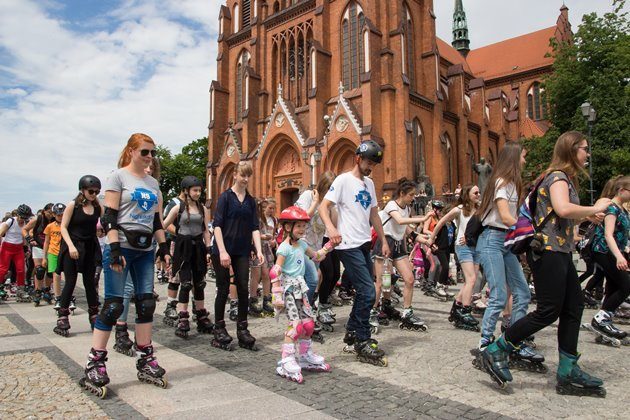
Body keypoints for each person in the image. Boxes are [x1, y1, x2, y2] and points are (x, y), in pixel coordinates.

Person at [481, 131, 611, 397]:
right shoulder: (557, 177)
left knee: (573, 307)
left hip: (559, 249)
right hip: (547, 250)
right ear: (572, 150)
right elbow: (562, 209)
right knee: (548, 310)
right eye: (585, 149)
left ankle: (567, 370)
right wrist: (593, 208)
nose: (588, 154)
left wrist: (587, 217)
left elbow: (558, 216)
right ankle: (496, 349)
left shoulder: (560, 177)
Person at [79, 133, 170, 398]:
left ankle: (145, 357)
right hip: (120, 246)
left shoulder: (153, 183)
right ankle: (95, 362)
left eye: (152, 152)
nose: (150, 157)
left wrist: (163, 248)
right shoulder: (118, 177)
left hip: (145, 249)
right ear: (131, 151)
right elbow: (109, 216)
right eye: (144, 152)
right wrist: (115, 248)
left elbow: (156, 222)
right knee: (114, 304)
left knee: (146, 303)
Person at [319, 140, 390, 366]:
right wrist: (331, 229)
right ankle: (362, 338)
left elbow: (375, 215)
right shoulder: (342, 180)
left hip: (364, 243)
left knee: (363, 290)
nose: (371, 167)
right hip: (346, 244)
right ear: (358, 158)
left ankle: (351, 331)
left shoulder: (369, 184)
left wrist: (384, 240)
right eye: (369, 161)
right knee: (369, 291)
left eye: (375, 163)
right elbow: (323, 207)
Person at [271, 206, 332, 383]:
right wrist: (276, 294)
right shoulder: (284, 248)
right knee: (296, 325)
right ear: (288, 227)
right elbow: (276, 271)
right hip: (289, 290)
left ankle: (305, 356)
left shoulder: (302, 244)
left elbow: (317, 256)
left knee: (308, 325)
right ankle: (286, 360)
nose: (302, 230)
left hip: (301, 289)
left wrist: (329, 246)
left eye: (304, 227)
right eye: (298, 226)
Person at [210, 160, 264, 351]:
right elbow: (217, 225)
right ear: (235, 174)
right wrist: (223, 251)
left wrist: (258, 249)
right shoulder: (225, 198)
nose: (245, 179)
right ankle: (219, 328)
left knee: (243, 287)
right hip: (223, 250)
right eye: (243, 175)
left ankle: (242, 328)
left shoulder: (250, 201)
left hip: (242, 250)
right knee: (223, 288)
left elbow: (255, 227)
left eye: (248, 175)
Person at [372, 178, 434, 332]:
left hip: (399, 245)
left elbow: (407, 230)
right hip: (386, 243)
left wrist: (424, 240)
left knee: (409, 278)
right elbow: (399, 221)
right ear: (401, 193)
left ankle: (406, 312)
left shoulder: (406, 208)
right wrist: (424, 218)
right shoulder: (391, 205)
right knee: (382, 283)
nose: (413, 198)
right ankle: (372, 312)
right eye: (411, 195)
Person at [163, 176, 214, 339]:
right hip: (183, 248)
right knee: (185, 284)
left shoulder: (202, 209)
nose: (198, 193)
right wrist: (178, 233)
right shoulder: (178, 207)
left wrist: (208, 249)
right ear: (186, 191)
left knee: (199, 283)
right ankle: (183, 317)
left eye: (200, 190)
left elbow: (205, 230)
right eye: (195, 190)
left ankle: (201, 315)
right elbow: (164, 224)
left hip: (198, 247)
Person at [54, 176, 103, 337]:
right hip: (73, 246)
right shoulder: (73, 205)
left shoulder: (97, 206)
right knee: (70, 282)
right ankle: (63, 316)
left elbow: (106, 219)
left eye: (97, 192)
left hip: (89, 247)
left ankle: (94, 315)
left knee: (90, 283)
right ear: (82, 190)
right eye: (91, 191)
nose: (94, 194)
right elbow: (63, 227)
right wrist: (70, 246)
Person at [429, 184, 481, 331]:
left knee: (470, 281)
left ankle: (456, 309)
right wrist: (432, 237)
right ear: (467, 194)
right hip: (462, 246)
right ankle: (465, 310)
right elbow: (441, 222)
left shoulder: (479, 210)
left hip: (476, 246)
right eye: (475, 192)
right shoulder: (459, 210)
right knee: (471, 280)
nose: (478, 194)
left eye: (479, 192)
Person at [589, 175, 630, 341]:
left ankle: (605, 319)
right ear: (621, 190)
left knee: (614, 286)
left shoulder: (622, 209)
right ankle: (601, 318)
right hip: (604, 251)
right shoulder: (612, 208)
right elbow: (608, 234)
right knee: (626, 285)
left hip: (614, 251)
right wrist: (620, 257)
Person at [0, 204, 33, 302]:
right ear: (18, 215)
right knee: (3, 269)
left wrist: (26, 249)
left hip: (19, 248)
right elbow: (1, 232)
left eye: (25, 217)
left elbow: (24, 237)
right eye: (22, 217)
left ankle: (20, 291)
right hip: (7, 247)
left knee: (21, 270)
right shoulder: (11, 221)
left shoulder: (26, 222)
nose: (23, 219)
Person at [23, 203, 54, 306]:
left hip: (51, 247)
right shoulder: (38, 219)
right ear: (44, 211)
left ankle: (47, 290)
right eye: (49, 212)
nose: (51, 215)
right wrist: (29, 239)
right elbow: (24, 229)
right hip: (38, 246)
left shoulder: (55, 220)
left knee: (50, 271)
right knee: (40, 270)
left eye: (52, 213)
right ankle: (37, 292)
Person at [422, 200, 453, 300]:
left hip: (440, 243)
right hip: (431, 242)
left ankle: (441, 285)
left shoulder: (441, 218)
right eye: (439, 209)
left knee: (442, 266)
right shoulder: (430, 217)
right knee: (437, 264)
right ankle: (432, 285)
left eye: (441, 210)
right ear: (434, 209)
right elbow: (424, 230)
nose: (440, 211)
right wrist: (433, 235)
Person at [42, 203, 65, 306]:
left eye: (62, 215)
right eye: (58, 215)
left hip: (64, 252)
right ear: (54, 215)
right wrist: (44, 257)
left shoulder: (67, 225)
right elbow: (46, 242)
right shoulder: (50, 226)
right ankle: (58, 297)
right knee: (56, 275)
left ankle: (67, 295)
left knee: (69, 275)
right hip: (53, 252)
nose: (60, 217)